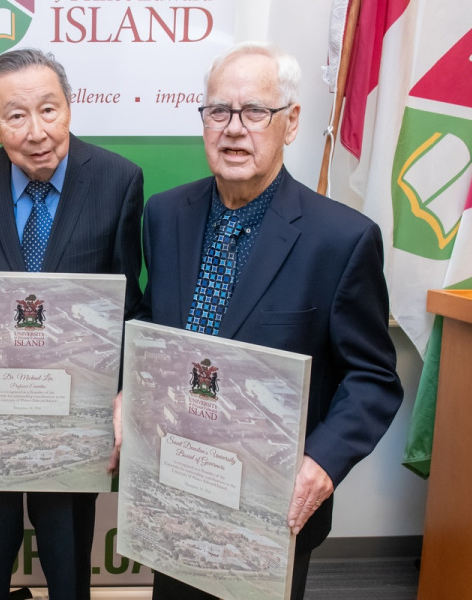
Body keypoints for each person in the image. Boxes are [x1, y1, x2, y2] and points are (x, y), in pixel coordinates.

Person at [119, 42, 404, 599]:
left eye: (255, 112)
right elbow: (153, 320)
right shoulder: (165, 215)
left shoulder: (342, 240)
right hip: (172, 484)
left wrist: (321, 461)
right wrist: (130, 386)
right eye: (218, 112)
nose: (233, 129)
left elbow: (372, 378)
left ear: (290, 122)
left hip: (268, 502)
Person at [0, 48, 144, 600]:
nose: (37, 132)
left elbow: (128, 306)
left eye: (49, 110)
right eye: (17, 116)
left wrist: (121, 395)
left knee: (68, 571)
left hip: (74, 421)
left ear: (70, 107)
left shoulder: (120, 182)